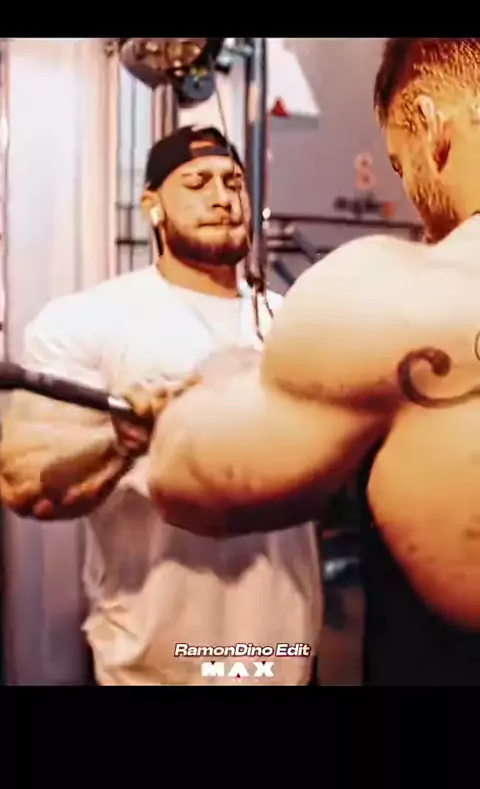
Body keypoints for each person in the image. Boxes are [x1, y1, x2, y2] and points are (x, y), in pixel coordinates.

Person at [146, 39, 480, 638]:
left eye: (400, 166)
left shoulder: (389, 293)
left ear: (433, 126)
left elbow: (190, 480)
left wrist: (215, 384)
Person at [0, 125, 323, 686]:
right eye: (197, 183)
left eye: (234, 182)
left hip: (285, 656)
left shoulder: (296, 319)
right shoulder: (90, 319)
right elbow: (24, 481)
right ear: (152, 206)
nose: (222, 198)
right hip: (153, 663)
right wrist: (121, 440)